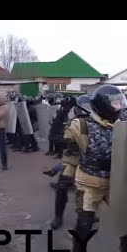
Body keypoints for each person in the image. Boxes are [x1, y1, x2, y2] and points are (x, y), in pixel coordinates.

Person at [68, 85, 127, 252]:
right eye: (115, 103)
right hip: (89, 182)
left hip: (115, 182)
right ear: (103, 105)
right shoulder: (81, 125)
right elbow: (65, 143)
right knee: (84, 225)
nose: (119, 106)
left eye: (120, 102)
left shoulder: (124, 123)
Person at [49, 95, 91, 230]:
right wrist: (68, 141)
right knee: (62, 188)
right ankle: (58, 216)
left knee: (89, 191)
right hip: (72, 161)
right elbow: (53, 136)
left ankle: (88, 214)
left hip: (90, 162)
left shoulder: (97, 123)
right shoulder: (70, 124)